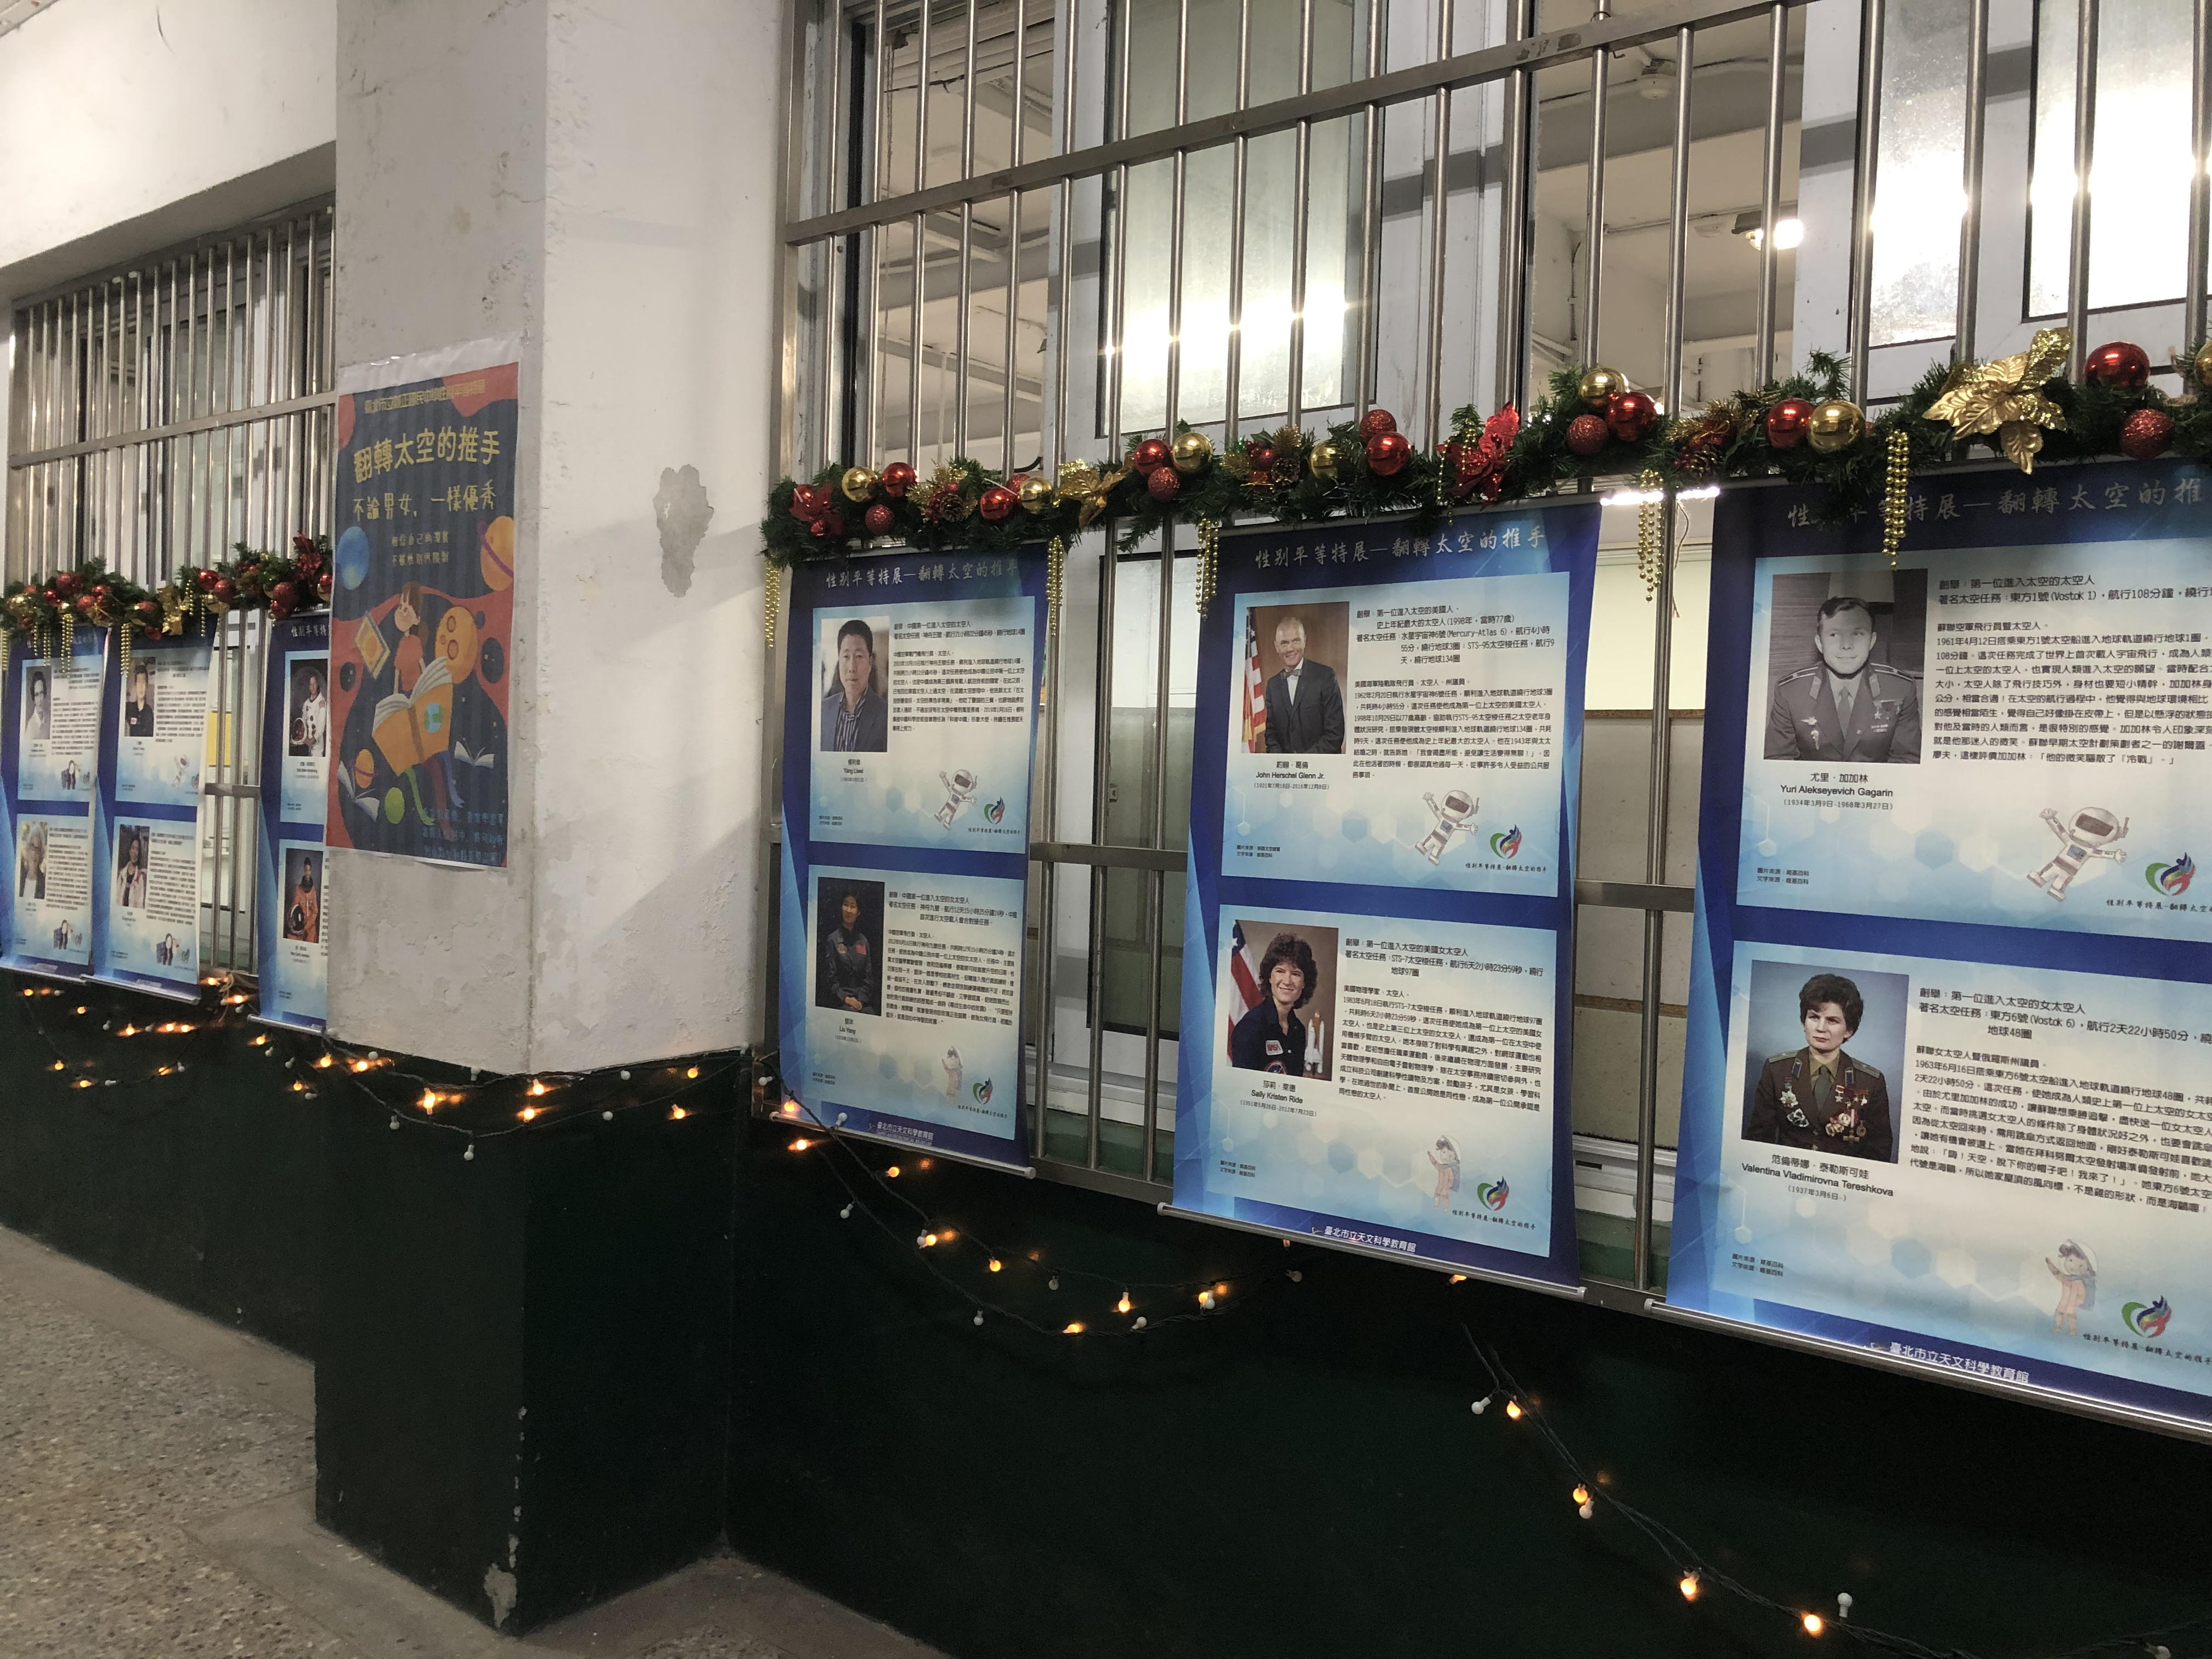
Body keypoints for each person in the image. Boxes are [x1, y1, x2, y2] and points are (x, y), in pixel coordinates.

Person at [1745, 972, 1895, 1161]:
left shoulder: (1871, 1082)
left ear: (1849, 1030)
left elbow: (1879, 1154)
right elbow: (1758, 1140)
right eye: (1814, 1017)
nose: (1821, 1028)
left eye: (1832, 1021)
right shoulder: (1777, 1070)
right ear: (1804, 1021)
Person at [1765, 595, 1920, 762]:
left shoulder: (1900, 688)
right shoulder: (1790, 692)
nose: (1846, 645)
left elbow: (1907, 759)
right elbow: (1778, 760)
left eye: (1857, 634)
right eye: (1835, 635)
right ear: (1820, 643)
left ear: (1872, 641)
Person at [1229, 931, 1319, 1074]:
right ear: (1270, 977)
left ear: (1304, 983)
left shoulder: (1298, 1030)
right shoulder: (1251, 1028)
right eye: (1280, 971)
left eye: (1296, 974)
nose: (1287, 981)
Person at [1262, 615, 1344, 755]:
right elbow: (1271, 734)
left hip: (1320, 766)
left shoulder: (1325, 676)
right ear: (1277, 647)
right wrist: (1281, 761)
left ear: (1304, 641)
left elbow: (1335, 734)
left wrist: (1303, 763)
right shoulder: (1272, 685)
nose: (1290, 649)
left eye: (1296, 641)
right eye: (1284, 643)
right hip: (1284, 767)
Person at [819, 619, 888, 753]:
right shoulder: (823, 711)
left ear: (870, 662)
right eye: (846, 657)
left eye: (859, 656)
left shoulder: (885, 715)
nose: (852, 668)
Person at [819, 889, 877, 1014]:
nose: (848, 910)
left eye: (853, 906)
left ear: (858, 912)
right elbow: (830, 978)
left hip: (861, 1001)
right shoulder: (833, 940)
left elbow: (869, 977)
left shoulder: (863, 941)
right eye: (846, 905)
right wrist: (845, 998)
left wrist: (861, 1001)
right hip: (839, 1000)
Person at [2046, 1240, 2097, 1336]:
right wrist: (2050, 1265)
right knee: (2060, 1311)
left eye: (2081, 1265)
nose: (2074, 1266)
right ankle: (2058, 1326)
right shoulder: (2066, 1277)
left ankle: (2073, 1330)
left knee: (2070, 1313)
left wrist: (2076, 1301)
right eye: (2070, 1261)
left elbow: (2082, 1294)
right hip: (2065, 1300)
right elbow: (2057, 1273)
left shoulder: (2081, 1280)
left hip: (2075, 1300)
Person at [294, 668, 328, 757]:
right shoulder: (307, 703)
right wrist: (301, 737)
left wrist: (313, 739)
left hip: (317, 744)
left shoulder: (321, 703)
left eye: (314, 684)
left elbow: (321, 726)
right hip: (307, 743)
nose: (312, 687)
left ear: (318, 685)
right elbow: (303, 721)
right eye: (311, 685)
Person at [1425, 1136, 1462, 1209]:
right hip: (1440, 1185)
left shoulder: (1451, 1168)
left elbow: (1452, 1179)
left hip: (1446, 1186)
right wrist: (1430, 1156)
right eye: (1444, 1152)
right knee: (1437, 1194)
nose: (1446, 1156)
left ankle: (1445, 1208)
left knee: (1444, 1195)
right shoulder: (1442, 1167)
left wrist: (1448, 1186)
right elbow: (1435, 1163)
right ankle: (1436, 1206)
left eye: (1450, 1155)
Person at [115, 832, 147, 910]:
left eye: (137, 850)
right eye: (133, 848)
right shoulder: (122, 875)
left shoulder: (140, 878)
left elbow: (140, 904)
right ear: (129, 851)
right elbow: (116, 898)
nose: (135, 852)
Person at [125, 665, 155, 737]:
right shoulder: (128, 708)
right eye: (139, 682)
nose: (141, 687)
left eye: (143, 682)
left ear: (147, 685)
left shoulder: (149, 712)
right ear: (135, 685)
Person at [16, 825, 45, 900]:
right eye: (32, 846)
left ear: (41, 855)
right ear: (27, 849)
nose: (34, 853)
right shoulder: (18, 875)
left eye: (37, 849)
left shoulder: (44, 884)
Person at [22, 669, 49, 740]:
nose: (40, 699)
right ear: (33, 699)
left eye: (41, 693)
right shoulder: (30, 728)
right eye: (36, 695)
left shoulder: (49, 720)